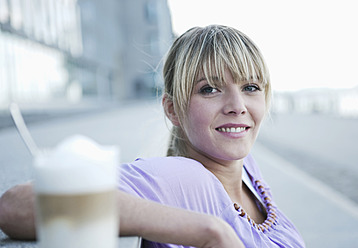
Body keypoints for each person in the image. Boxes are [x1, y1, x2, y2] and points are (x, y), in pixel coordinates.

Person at [0, 25, 305, 247]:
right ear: (173, 110)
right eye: (209, 89)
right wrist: (209, 231)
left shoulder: (245, 166)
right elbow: (16, 205)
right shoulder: (181, 177)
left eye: (250, 87)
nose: (237, 107)